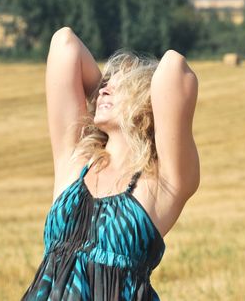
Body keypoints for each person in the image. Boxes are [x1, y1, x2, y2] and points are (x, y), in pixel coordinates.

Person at [21, 27, 200, 300]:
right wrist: (106, 97)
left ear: (148, 103)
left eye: (123, 85)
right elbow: (64, 44)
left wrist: (136, 95)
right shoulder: (76, 160)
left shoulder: (162, 182)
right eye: (106, 82)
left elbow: (174, 69)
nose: (106, 87)